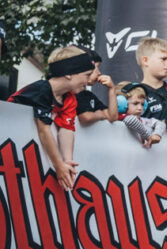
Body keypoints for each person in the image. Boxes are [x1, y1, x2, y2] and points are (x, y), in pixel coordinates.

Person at [7, 45, 98, 186]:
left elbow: (66, 128)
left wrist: (67, 161)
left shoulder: (69, 98)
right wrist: (58, 166)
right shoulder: (42, 89)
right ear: (69, 73)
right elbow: (44, 131)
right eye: (86, 75)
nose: (88, 81)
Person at [119, 82, 163, 148]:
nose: (140, 108)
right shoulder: (119, 117)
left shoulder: (141, 119)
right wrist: (148, 136)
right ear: (121, 103)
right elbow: (130, 120)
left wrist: (157, 134)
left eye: (142, 104)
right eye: (135, 103)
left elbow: (160, 123)